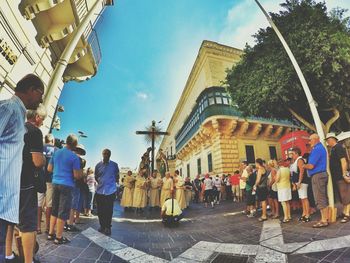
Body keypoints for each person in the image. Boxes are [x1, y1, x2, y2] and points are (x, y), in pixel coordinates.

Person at [0, 74, 44, 262]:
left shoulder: (19, 114)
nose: (41, 99)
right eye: (40, 94)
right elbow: (37, 161)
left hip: (9, 193)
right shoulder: (9, 108)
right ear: (32, 90)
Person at [18, 106, 46, 263]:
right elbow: (37, 161)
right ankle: (28, 260)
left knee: (10, 220)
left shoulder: (18, 127)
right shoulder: (35, 132)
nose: (43, 122)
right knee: (28, 223)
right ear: (37, 117)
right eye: (43, 119)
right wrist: (44, 160)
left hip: (13, 179)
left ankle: (9, 253)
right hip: (27, 182)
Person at [47, 134, 82, 244]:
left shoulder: (56, 152)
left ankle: (51, 234)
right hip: (67, 185)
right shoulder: (74, 157)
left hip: (55, 182)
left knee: (55, 209)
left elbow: (49, 168)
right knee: (63, 211)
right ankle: (58, 237)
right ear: (75, 144)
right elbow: (77, 176)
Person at [304, 134, 329, 228]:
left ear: (315, 139)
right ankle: (324, 218)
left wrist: (303, 165)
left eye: (310, 140)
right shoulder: (320, 148)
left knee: (320, 198)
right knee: (321, 197)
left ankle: (324, 220)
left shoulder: (317, 149)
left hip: (318, 176)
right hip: (320, 175)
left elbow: (311, 166)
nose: (309, 142)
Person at [326, 133, 350, 223]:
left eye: (328, 140)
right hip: (337, 176)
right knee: (342, 195)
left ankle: (347, 214)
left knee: (345, 194)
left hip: (340, 176)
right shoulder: (334, 149)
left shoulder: (338, 147)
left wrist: (344, 174)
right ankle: (344, 212)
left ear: (333, 139)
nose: (327, 142)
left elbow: (343, 161)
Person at [95, 149, 119, 235]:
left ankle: (108, 227)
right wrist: (101, 182)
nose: (106, 155)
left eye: (108, 154)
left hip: (110, 191)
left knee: (109, 210)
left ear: (110, 155)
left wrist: (111, 183)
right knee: (100, 210)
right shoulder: (98, 165)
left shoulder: (114, 165)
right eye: (104, 153)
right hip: (100, 191)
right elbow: (96, 176)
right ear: (102, 154)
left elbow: (117, 176)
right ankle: (102, 225)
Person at [37, 134, 57, 235]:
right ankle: (48, 227)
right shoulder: (57, 150)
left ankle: (38, 227)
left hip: (40, 179)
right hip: (51, 179)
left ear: (45, 140)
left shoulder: (40, 147)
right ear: (52, 141)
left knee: (39, 204)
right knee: (49, 204)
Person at [290, 147, 310, 222]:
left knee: (304, 198)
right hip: (299, 182)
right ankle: (304, 213)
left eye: (292, 154)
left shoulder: (300, 160)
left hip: (302, 182)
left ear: (296, 153)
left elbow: (302, 171)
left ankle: (307, 214)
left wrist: (299, 182)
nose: (291, 155)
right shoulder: (296, 161)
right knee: (302, 198)